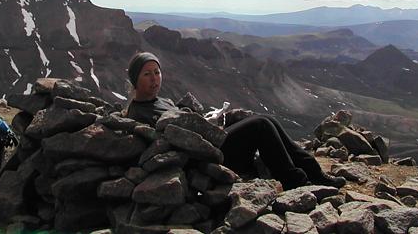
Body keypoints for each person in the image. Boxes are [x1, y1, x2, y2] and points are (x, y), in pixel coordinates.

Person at [125, 51, 345, 190]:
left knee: (266, 118)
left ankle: (315, 173)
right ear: (135, 79)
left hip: (208, 144)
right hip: (206, 159)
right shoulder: (139, 113)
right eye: (147, 74)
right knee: (261, 126)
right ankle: (295, 181)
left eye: (157, 72)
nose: (155, 79)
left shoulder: (160, 100)